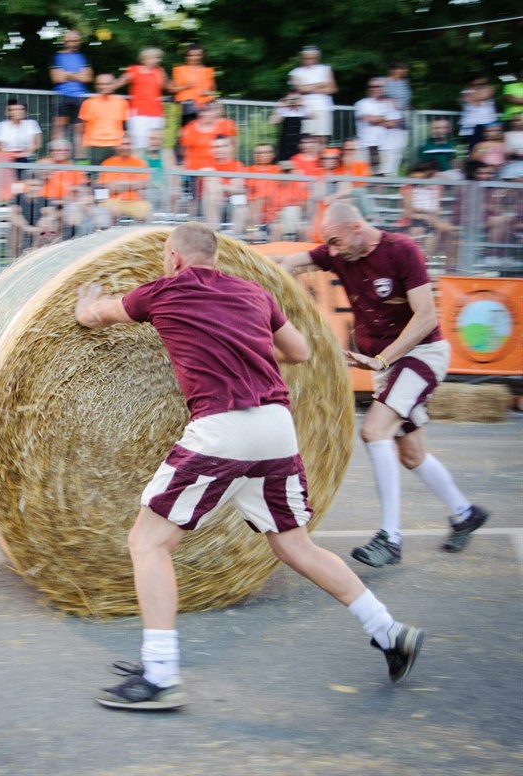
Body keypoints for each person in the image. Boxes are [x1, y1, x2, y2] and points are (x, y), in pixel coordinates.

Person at [75, 221, 424, 711]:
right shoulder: (254, 293)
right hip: (277, 429)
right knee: (296, 547)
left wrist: (83, 307)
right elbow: (300, 351)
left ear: (174, 259)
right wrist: (247, 345)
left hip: (223, 428)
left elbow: (99, 315)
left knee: (148, 542)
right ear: (215, 258)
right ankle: (388, 630)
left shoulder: (164, 290)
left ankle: (160, 674)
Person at [274, 201, 489, 567]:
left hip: (421, 355)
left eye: (337, 241)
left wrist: (384, 359)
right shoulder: (338, 252)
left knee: (374, 432)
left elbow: (426, 317)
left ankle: (390, 538)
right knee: (412, 455)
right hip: (388, 364)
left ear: (357, 227)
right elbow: (289, 263)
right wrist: (245, 266)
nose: (332, 251)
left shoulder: (402, 250)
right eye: (329, 244)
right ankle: (465, 513)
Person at [112, 47, 174, 154]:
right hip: (138, 113)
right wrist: (106, 88)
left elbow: (169, 87)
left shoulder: (160, 71)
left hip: (156, 113)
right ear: (145, 59)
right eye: (155, 57)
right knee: (139, 143)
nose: (158, 60)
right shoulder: (134, 70)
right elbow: (118, 83)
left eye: (159, 58)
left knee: (155, 143)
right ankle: (137, 163)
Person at [50, 30, 93, 156]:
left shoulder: (83, 57)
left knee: (79, 131)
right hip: (61, 96)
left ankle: (81, 161)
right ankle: (57, 159)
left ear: (79, 41)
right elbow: (56, 78)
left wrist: (67, 74)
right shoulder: (57, 57)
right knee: (59, 128)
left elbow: (88, 78)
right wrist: (78, 75)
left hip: (80, 97)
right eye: (70, 40)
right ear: (65, 40)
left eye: (75, 40)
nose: (72, 42)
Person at [288, 46, 337, 144]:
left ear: (317, 58)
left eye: (312, 58)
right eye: (306, 58)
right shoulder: (296, 72)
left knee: (322, 138)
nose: (309, 60)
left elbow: (332, 89)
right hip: (305, 108)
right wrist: (320, 84)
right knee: (307, 138)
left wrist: (307, 88)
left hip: (323, 107)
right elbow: (300, 89)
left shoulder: (325, 69)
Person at [97, 136, 151, 224]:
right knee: (108, 211)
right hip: (113, 201)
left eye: (128, 144)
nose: (125, 147)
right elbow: (109, 187)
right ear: (116, 146)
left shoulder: (140, 163)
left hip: (135, 201)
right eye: (122, 144)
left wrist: (120, 184)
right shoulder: (107, 163)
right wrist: (133, 184)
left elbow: (145, 184)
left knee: (146, 211)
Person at [77, 74, 129, 167]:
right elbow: (81, 128)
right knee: (95, 173)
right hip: (94, 145)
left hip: (116, 145)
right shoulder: (88, 103)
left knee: (115, 173)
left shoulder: (122, 102)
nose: (103, 87)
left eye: (107, 83)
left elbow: (125, 126)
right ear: (96, 86)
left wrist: (123, 144)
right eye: (100, 84)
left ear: (113, 84)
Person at [200, 135, 247, 235]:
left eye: (223, 146)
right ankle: (215, 232)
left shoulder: (237, 165)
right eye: (216, 147)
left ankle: (233, 237)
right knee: (211, 189)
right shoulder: (207, 165)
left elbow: (239, 189)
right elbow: (209, 186)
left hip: (232, 203)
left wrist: (220, 187)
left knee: (241, 204)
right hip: (210, 203)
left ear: (230, 148)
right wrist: (227, 187)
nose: (219, 150)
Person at [171, 44, 216, 127]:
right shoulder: (180, 70)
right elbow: (172, 89)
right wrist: (185, 86)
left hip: (206, 109)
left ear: (202, 56)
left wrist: (208, 93)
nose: (195, 58)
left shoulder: (208, 71)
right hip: (187, 109)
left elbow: (214, 92)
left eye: (198, 55)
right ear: (187, 57)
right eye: (192, 55)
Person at [353, 78, 391, 172]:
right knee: (363, 175)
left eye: (378, 86)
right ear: (368, 88)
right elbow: (368, 119)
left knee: (382, 175)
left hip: (383, 146)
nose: (375, 89)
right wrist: (384, 118)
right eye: (372, 86)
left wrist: (376, 119)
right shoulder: (362, 103)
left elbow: (392, 123)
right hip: (365, 145)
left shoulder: (388, 104)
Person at [269, 89, 307, 161]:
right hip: (285, 140)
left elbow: (314, 116)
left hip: (298, 141)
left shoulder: (302, 110)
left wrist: (303, 104)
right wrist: (279, 106)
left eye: (296, 99)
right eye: (292, 99)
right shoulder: (283, 110)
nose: (293, 101)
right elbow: (273, 121)